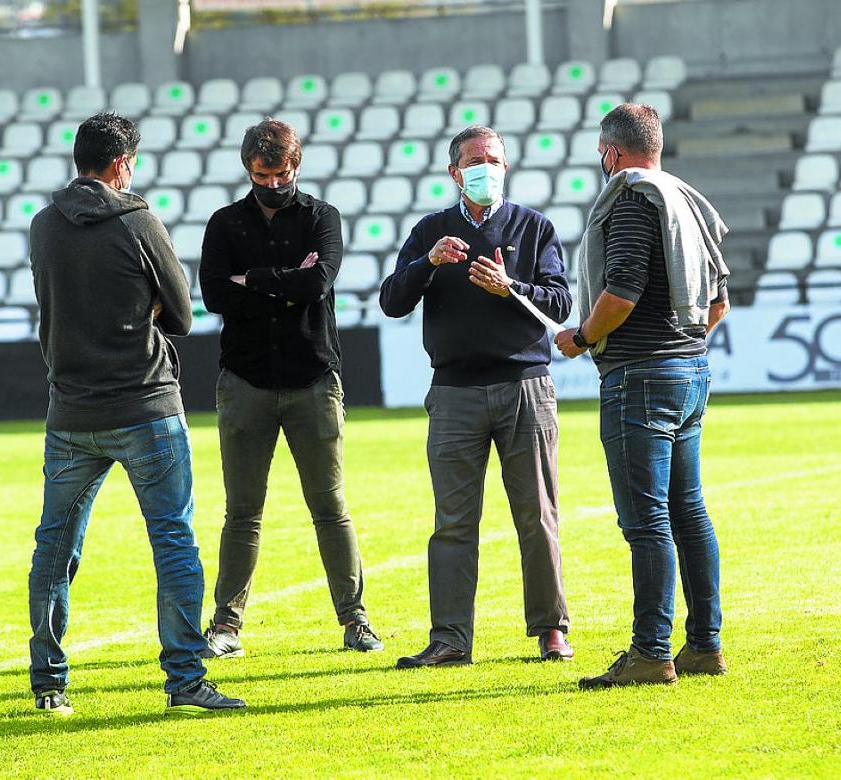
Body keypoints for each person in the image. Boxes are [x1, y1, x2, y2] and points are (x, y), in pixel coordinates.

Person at [26, 112, 244, 716]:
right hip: (145, 405)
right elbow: (182, 313)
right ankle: (184, 682)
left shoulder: (43, 226)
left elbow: (53, 310)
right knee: (173, 540)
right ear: (122, 163)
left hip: (70, 411)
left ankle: (48, 682)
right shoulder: (139, 221)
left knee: (55, 547)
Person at [381, 125, 574, 668]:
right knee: (453, 523)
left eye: (493, 159)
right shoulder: (430, 232)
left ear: (506, 167)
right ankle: (449, 639)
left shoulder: (535, 228)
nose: (485, 168)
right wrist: (429, 264)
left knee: (537, 515)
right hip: (454, 393)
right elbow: (392, 300)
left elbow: (559, 303)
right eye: (474, 161)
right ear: (453, 172)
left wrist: (511, 288)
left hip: (524, 387)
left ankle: (551, 630)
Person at [554, 104, 730, 688]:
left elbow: (622, 289)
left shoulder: (632, 200)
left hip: (639, 376)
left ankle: (651, 653)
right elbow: (719, 300)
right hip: (691, 370)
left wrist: (581, 337)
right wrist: (682, 346)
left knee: (647, 521)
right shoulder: (686, 199)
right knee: (690, 512)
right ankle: (704, 645)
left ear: (611, 153)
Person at [198, 118, 384, 656]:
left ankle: (355, 620)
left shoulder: (324, 218)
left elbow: (318, 281)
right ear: (247, 169)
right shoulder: (224, 223)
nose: (273, 184)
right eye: (263, 174)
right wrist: (285, 282)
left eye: (280, 173)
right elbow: (214, 295)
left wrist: (251, 278)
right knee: (242, 510)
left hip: (311, 379)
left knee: (329, 506)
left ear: (295, 166)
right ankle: (227, 626)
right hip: (246, 380)